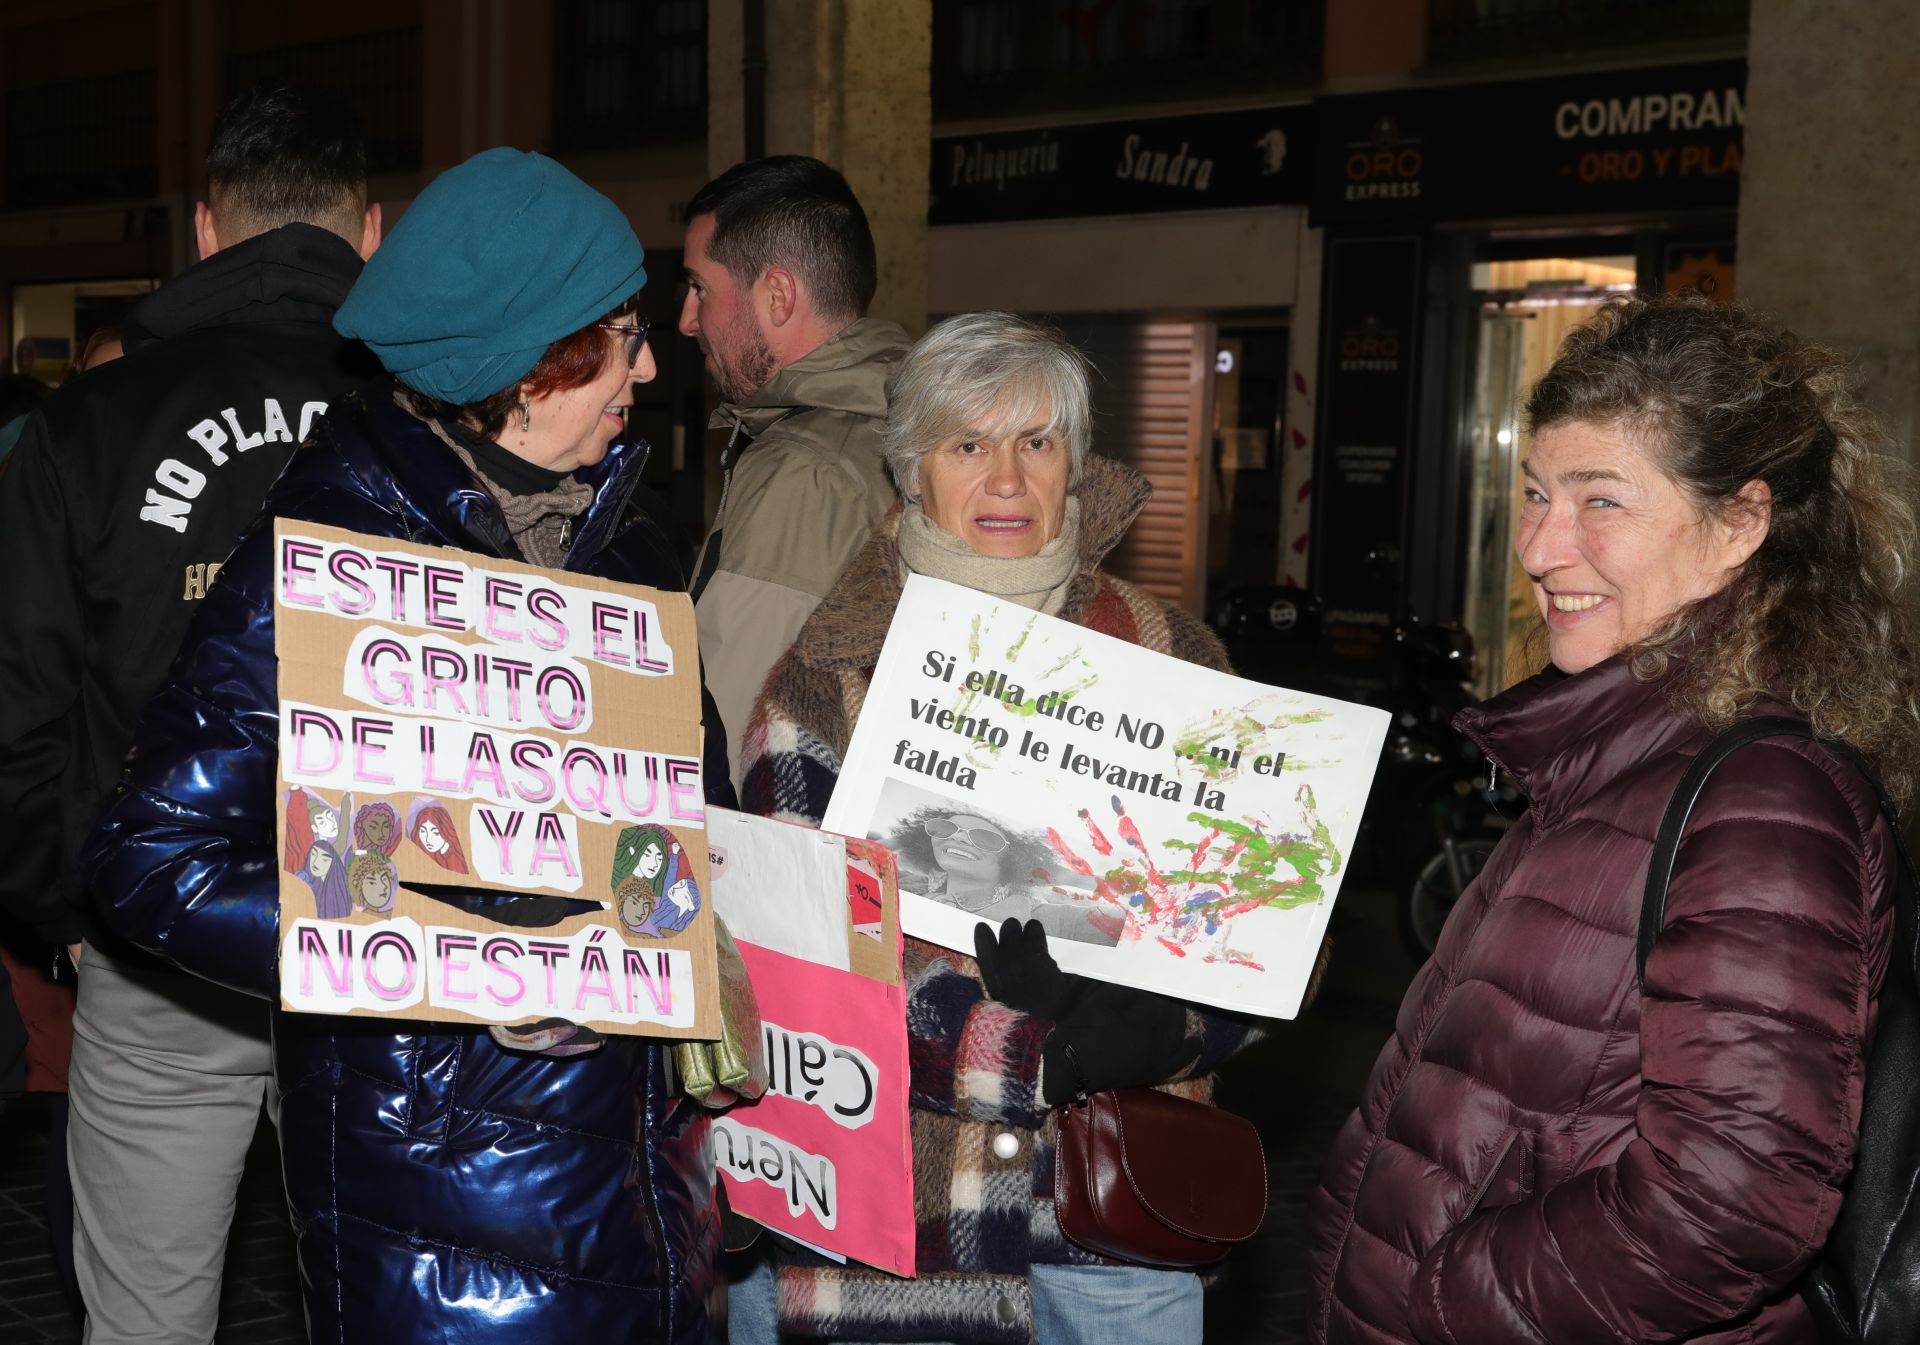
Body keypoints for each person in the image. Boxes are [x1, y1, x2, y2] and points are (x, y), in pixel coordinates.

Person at [83, 147, 732, 1341]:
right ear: (524, 366)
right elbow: (150, 860)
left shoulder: (632, 552)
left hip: (649, 1191)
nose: (651, 363)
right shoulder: (326, 563)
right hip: (446, 1219)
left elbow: (689, 829)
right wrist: (449, 943)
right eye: (620, 336)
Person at [1306, 292, 1920, 1345]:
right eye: (1537, 493)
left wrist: (1444, 1300)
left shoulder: (1762, 798)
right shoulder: (1623, 748)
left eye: (1601, 502)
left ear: (1740, 525)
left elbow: (1730, 1205)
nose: (1542, 547)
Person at [737, 311, 1259, 1345]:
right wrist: (1037, 1058)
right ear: (910, 469)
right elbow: (795, 969)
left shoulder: (1175, 658)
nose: (1008, 479)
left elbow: (1273, 921)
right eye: (968, 444)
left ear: (1077, 461)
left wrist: (1173, 1023)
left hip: (1111, 1222)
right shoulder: (821, 680)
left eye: (1038, 441)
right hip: (893, 1239)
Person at [0, 80, 380, 1342]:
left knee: (148, 1319)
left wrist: (79, 909)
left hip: (160, 944)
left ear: (207, 232)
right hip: (378, 927)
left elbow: (20, 707)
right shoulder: (426, 424)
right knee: (388, 1302)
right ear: (369, 235)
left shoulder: (88, 429)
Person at [680, 155, 911, 788]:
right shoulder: (905, 422)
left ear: (777, 296)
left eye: (699, 288)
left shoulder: (805, 474)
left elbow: (718, 740)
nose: (686, 321)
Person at [887, 807, 1117, 945]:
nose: (958, 838)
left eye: (985, 839)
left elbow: (1128, 925)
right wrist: (910, 838)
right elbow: (858, 854)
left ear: (1013, 860)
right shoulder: (907, 885)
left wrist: (1081, 880)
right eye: (945, 829)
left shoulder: (1047, 918)